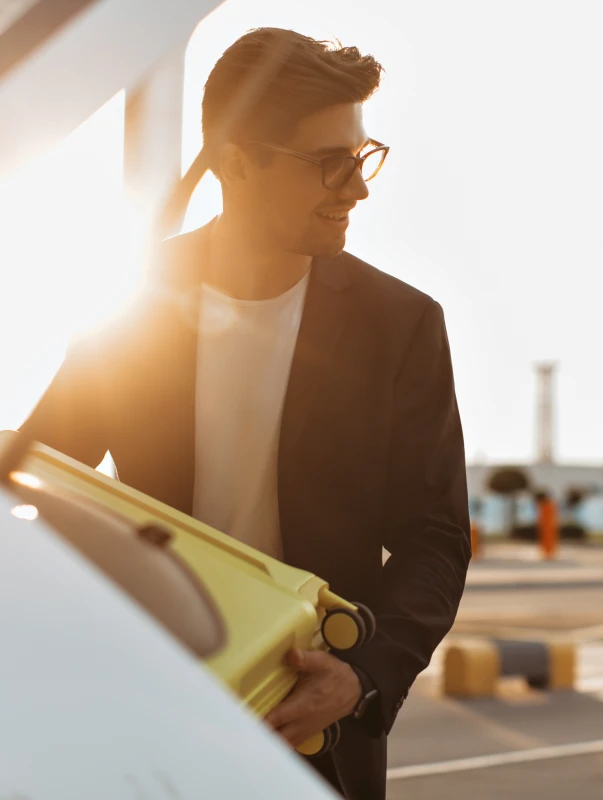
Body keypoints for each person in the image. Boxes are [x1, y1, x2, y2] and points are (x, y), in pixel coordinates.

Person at [20, 28, 471, 800]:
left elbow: (435, 538)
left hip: (314, 732)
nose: (357, 187)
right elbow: (43, 477)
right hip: (140, 716)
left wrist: (361, 677)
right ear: (236, 161)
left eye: (363, 157)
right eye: (328, 162)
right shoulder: (133, 300)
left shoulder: (401, 326)